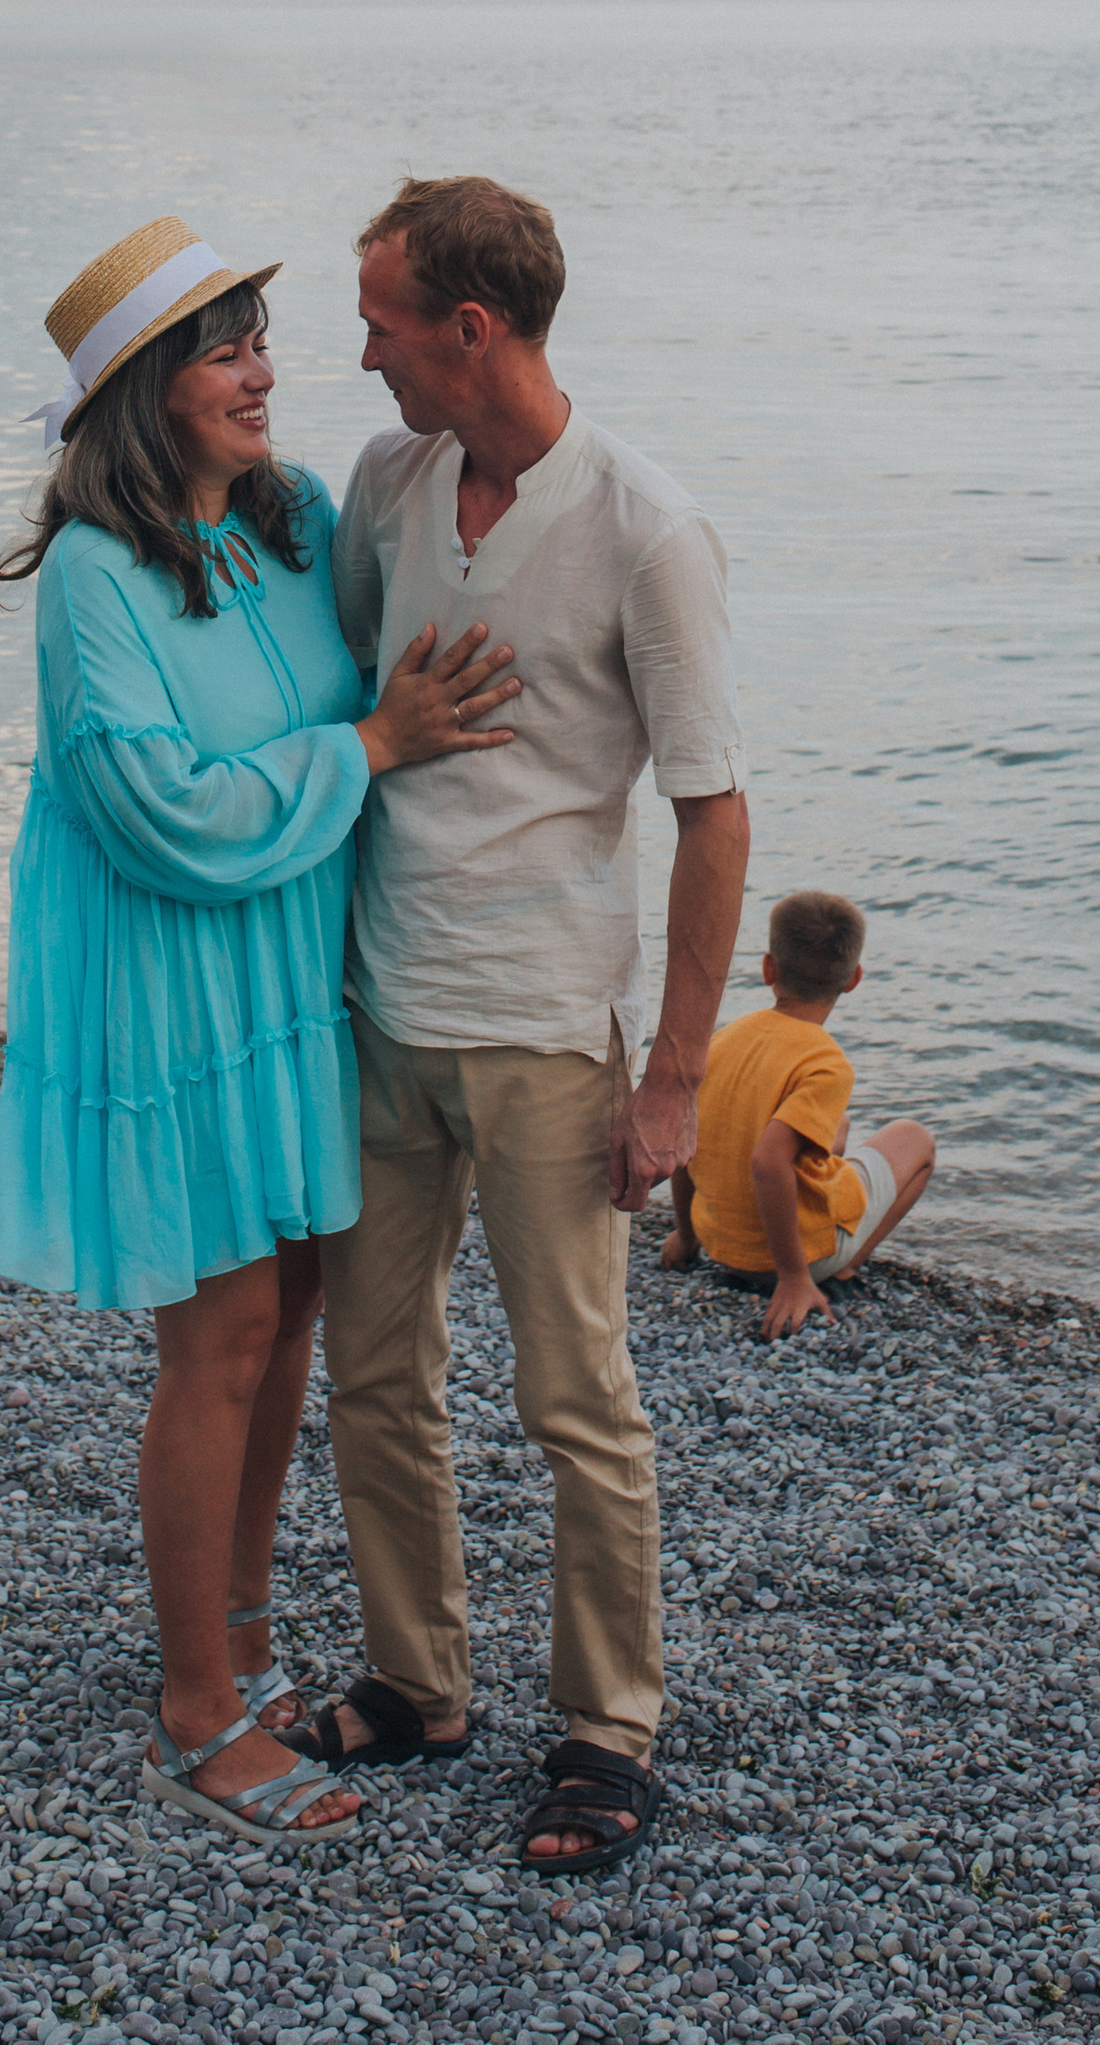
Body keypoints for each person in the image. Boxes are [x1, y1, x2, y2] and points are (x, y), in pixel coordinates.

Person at [0, 215, 521, 1848]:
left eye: (260, 341)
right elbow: (156, 807)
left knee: (288, 1315)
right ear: (148, 389)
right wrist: (374, 743)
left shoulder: (284, 527)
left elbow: (426, 558)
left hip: (293, 988)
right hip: (177, 994)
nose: (263, 374)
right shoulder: (96, 578)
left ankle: (236, 1641)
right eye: (225, 350)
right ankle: (195, 1716)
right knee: (216, 1344)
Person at [289, 175, 750, 1878]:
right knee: (376, 1374)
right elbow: (352, 703)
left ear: (471, 329)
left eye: (384, 322)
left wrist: (679, 1080)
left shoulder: (646, 529)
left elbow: (714, 815)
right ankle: (419, 1683)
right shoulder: (388, 485)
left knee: (578, 1400)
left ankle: (606, 1731)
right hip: (379, 1011)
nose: (362, 354)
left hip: (550, 1033)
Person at [660, 888, 936, 1339]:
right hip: (792, 1263)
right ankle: (843, 1266)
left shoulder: (724, 1040)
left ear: (769, 968)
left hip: (720, 1245)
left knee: (834, 1129)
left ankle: (786, 1250)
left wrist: (686, 1237)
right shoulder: (825, 1062)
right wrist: (792, 1277)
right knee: (915, 1139)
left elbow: (689, 1137)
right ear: (853, 979)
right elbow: (767, 1162)